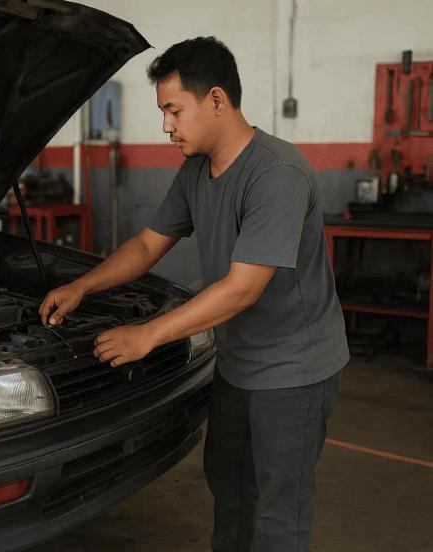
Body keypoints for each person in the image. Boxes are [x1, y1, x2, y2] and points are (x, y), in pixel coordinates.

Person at [38, 36, 349, 552]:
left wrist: (148, 334)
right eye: (164, 112)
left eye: (174, 110)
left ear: (217, 100)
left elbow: (242, 289)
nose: (166, 125)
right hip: (238, 361)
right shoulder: (195, 171)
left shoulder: (277, 173)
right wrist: (82, 285)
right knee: (228, 483)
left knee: (278, 508)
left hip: (295, 369)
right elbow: (146, 245)